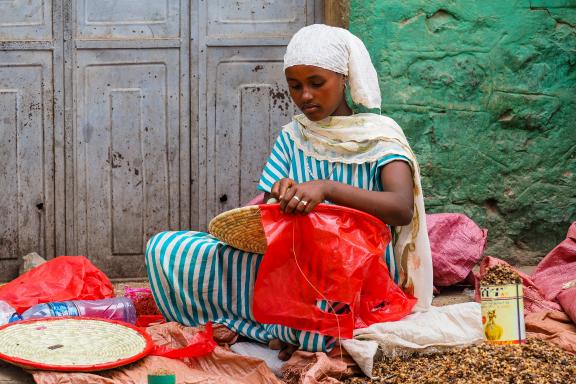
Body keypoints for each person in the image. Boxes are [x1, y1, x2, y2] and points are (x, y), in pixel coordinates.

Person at [146, 24, 432, 361]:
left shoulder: (378, 136)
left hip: (356, 265)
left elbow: (400, 209)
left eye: (316, 83)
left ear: (343, 78)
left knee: (311, 311)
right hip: (292, 258)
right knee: (169, 249)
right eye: (295, 86)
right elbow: (267, 212)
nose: (305, 96)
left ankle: (272, 326)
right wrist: (278, 196)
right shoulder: (294, 135)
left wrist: (328, 189)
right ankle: (278, 325)